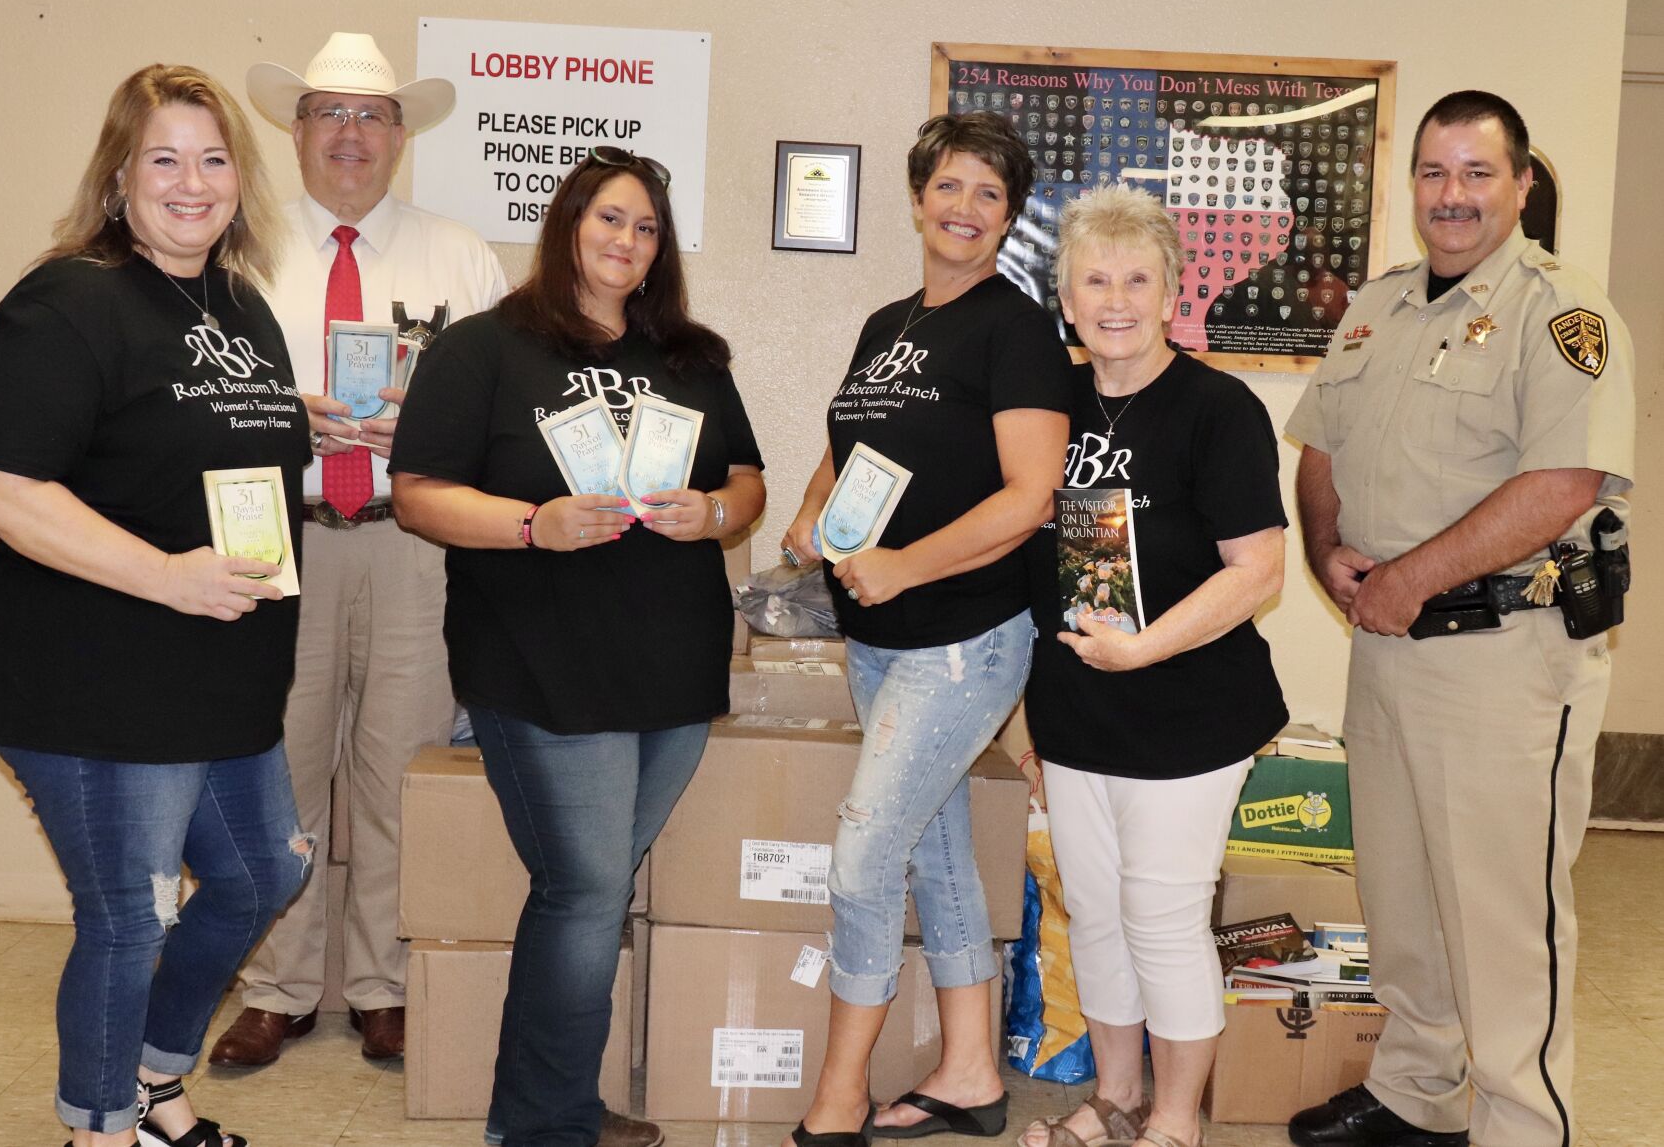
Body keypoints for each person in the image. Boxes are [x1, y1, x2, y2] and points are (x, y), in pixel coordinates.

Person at [0, 64, 310, 1147]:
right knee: (130, 915)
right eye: (164, 158)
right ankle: (101, 1128)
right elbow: (0, 491)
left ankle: (152, 1082)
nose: (192, 183)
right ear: (118, 177)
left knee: (261, 875)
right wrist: (166, 575)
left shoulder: (237, 302)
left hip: (216, 675)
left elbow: (182, 433)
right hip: (93, 677)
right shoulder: (67, 301)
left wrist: (300, 420)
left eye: (213, 159)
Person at [389, 148, 765, 1147]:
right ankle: (550, 1124)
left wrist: (714, 511)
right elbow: (417, 495)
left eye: (645, 227)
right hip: (541, 665)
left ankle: (537, 1112)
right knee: (589, 888)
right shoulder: (482, 349)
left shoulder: (691, 358)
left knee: (585, 890)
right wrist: (531, 525)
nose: (626, 240)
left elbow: (748, 480)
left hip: (673, 666)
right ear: (566, 224)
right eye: (608, 218)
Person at [1286, 90, 1635, 1147]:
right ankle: (1417, 1092)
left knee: (1499, 918)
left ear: (1520, 185)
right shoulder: (1377, 306)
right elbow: (1320, 449)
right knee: (1401, 898)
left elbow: (1562, 485)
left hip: (1505, 657)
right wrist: (1329, 554)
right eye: (1434, 173)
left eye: (1477, 173)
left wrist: (1410, 579)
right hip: (1388, 649)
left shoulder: (1560, 314)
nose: (1452, 195)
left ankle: (1522, 1125)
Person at [209, 32, 506, 1067]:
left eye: (370, 115)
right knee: (276, 771)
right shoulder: (236, 253)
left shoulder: (460, 257)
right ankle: (279, 987)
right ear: (294, 132)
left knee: (397, 773)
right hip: (274, 542)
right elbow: (198, 404)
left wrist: (430, 429)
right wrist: (281, 416)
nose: (349, 132)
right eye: (328, 112)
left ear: (400, 135)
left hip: (409, 543)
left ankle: (385, 985)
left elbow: (500, 413)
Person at [780, 111, 1069, 1147]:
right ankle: (970, 1072)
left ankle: (839, 1094)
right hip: (877, 639)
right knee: (935, 848)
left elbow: (1030, 496)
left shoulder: (1015, 329)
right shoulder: (887, 324)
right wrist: (812, 512)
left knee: (863, 858)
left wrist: (903, 563)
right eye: (949, 185)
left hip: (965, 640)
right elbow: (849, 444)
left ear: (1009, 217)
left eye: (989, 193)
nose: (965, 207)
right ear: (916, 199)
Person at [1017, 184, 1289, 1147]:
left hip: (1190, 712)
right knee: (1094, 914)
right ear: (1066, 298)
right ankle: (1117, 1096)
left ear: (1173, 294)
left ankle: (1175, 1120)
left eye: (1138, 279)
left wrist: (1142, 647)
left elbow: (1258, 571)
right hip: (1074, 711)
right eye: (1095, 280)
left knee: (1161, 916)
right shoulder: (1048, 406)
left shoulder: (1219, 409)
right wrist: (1026, 721)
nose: (1116, 300)